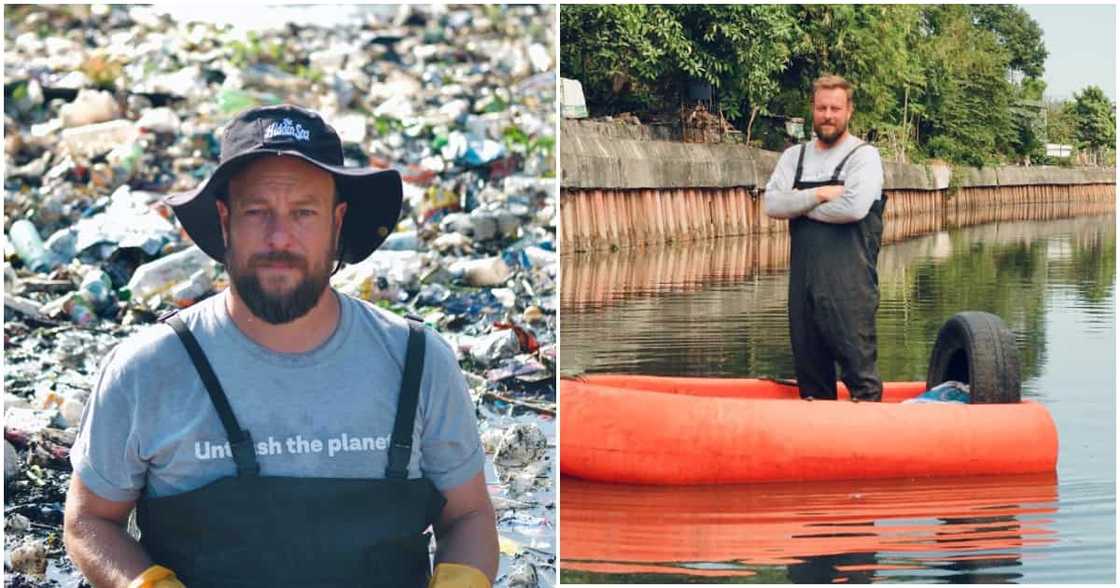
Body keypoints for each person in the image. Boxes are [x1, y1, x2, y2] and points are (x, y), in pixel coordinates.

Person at [63, 104, 498, 588]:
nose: (279, 237)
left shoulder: (419, 362)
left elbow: (469, 517)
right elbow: (89, 521)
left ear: (338, 222)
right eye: (257, 212)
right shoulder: (146, 370)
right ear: (225, 221)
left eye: (303, 212)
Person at [762, 75, 886, 402]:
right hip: (803, 292)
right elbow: (773, 204)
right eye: (821, 108)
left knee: (861, 378)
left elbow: (854, 208)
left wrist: (799, 205)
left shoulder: (864, 157)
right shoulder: (793, 158)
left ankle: (872, 443)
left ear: (849, 111)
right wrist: (818, 195)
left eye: (835, 108)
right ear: (812, 110)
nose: (828, 115)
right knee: (811, 381)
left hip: (851, 291)